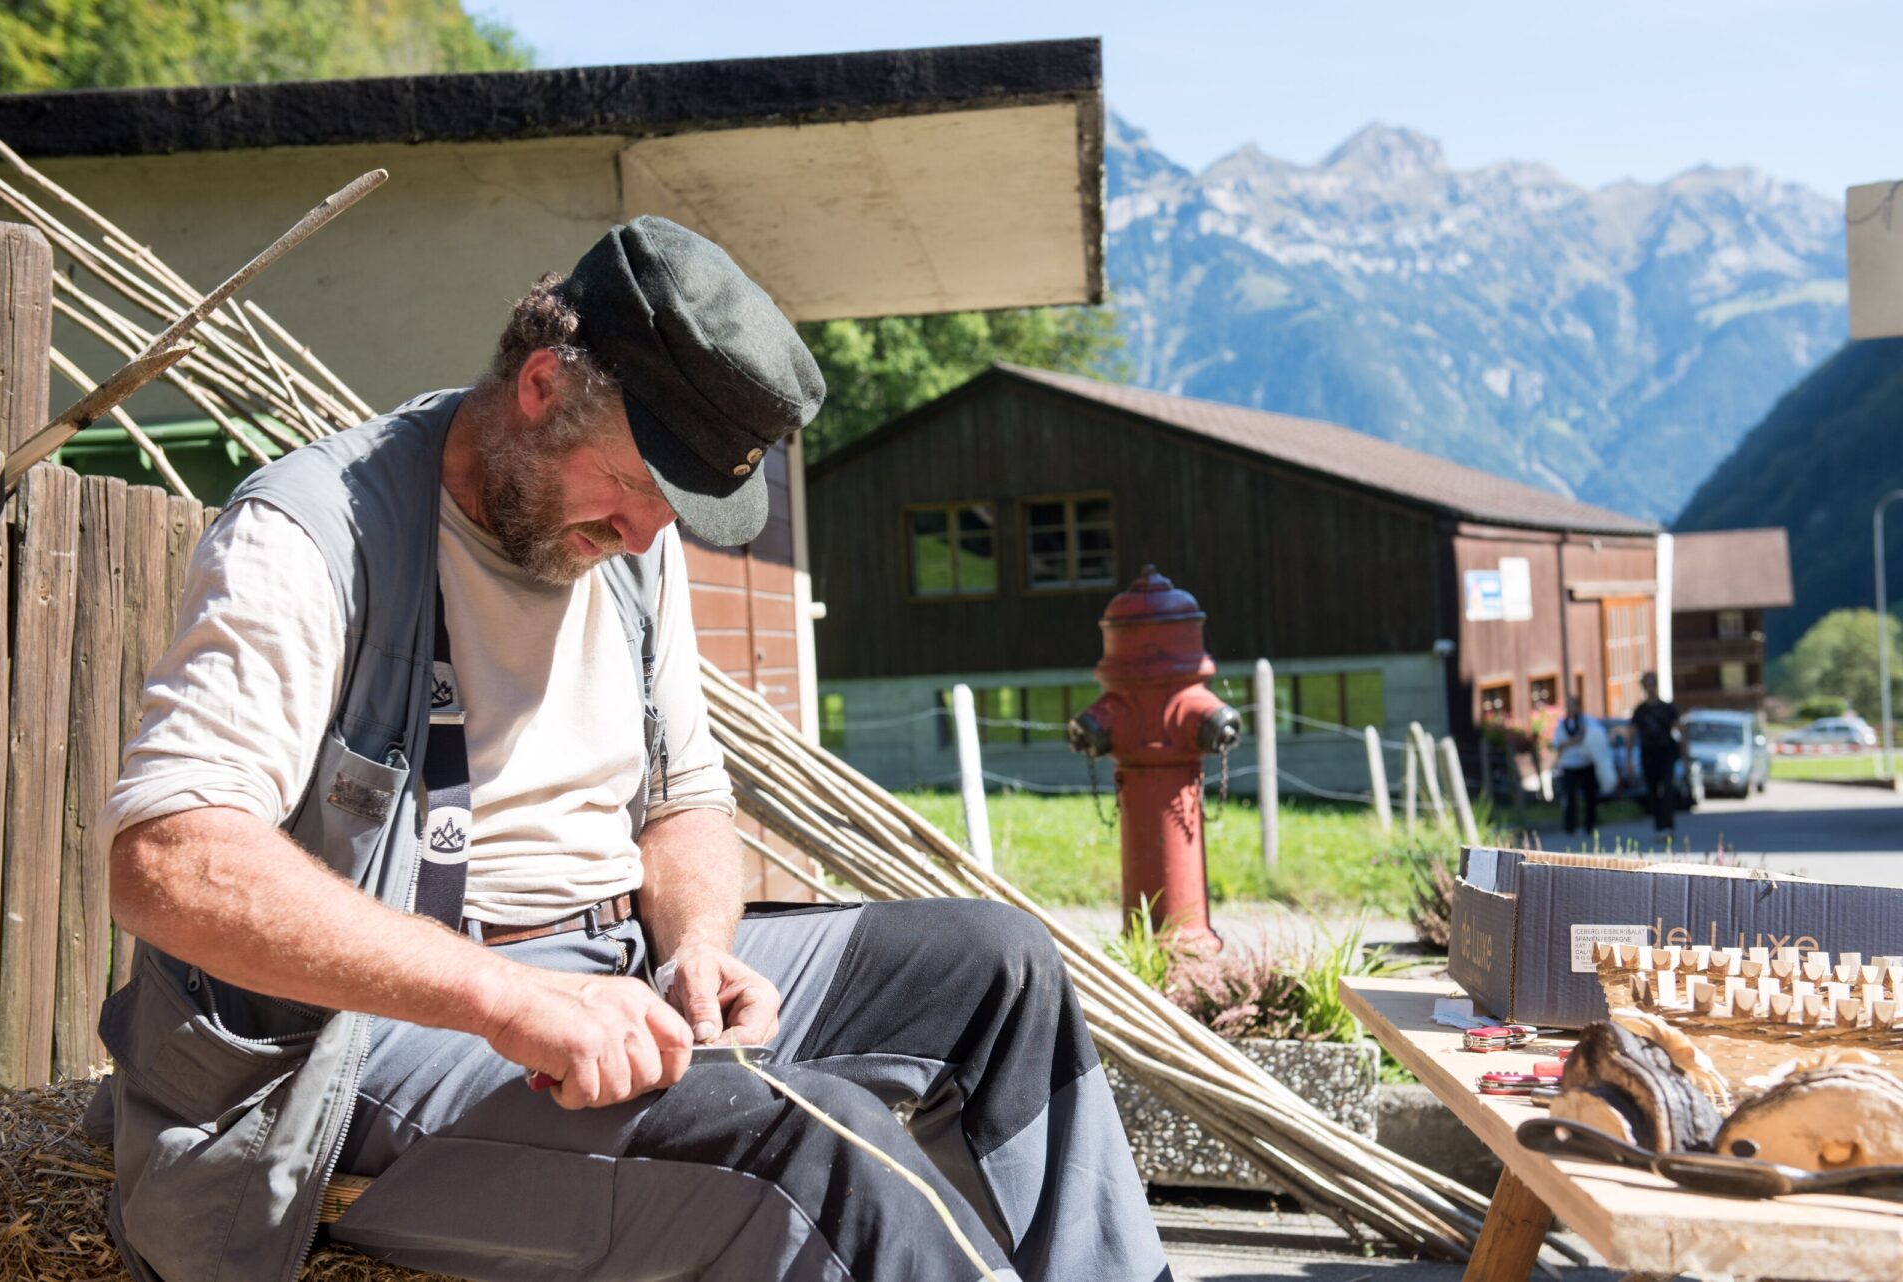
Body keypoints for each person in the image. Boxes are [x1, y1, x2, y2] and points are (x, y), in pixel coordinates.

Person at [88, 218, 1171, 1282]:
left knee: (1001, 967)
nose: (651, 535)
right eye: (638, 486)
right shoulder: (312, 533)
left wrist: (699, 943)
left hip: (617, 971)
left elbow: (686, 797)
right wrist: (509, 999)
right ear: (542, 387)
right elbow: (172, 860)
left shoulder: (624, 547)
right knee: (815, 1143)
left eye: (678, 508)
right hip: (377, 1031)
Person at [1630, 672, 1684, 833]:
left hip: (1666, 753)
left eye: (1653, 684)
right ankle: (1659, 826)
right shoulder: (1640, 711)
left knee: (1667, 790)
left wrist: (1685, 756)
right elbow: (1631, 735)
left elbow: (1680, 730)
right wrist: (1629, 761)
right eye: (1648, 685)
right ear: (1644, 688)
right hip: (1648, 754)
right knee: (1652, 792)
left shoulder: (1667, 708)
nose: (1651, 688)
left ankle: (1668, 825)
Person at [1551, 696, 1604, 835]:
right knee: (1570, 796)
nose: (1571, 709)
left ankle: (1590, 825)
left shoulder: (1587, 721)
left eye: (1573, 705)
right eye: (1568, 706)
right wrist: (1575, 740)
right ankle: (1570, 826)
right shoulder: (1561, 725)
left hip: (1586, 763)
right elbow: (1558, 745)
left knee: (1590, 796)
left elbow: (1596, 737)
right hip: (1569, 765)